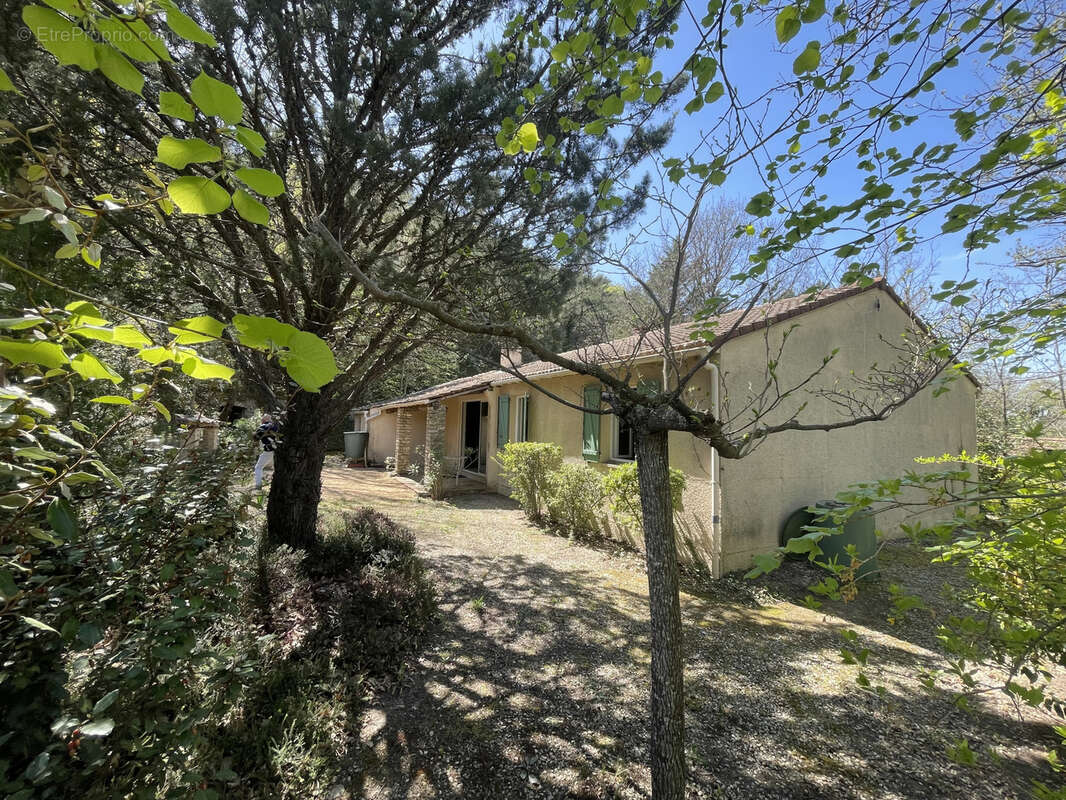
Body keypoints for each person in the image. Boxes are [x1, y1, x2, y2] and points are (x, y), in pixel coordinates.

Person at [253, 413, 280, 490]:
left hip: (268, 450)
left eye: (262, 420)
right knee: (277, 469)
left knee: (258, 467)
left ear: (264, 420)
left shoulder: (262, 427)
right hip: (278, 451)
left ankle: (258, 486)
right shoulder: (277, 426)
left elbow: (255, 438)